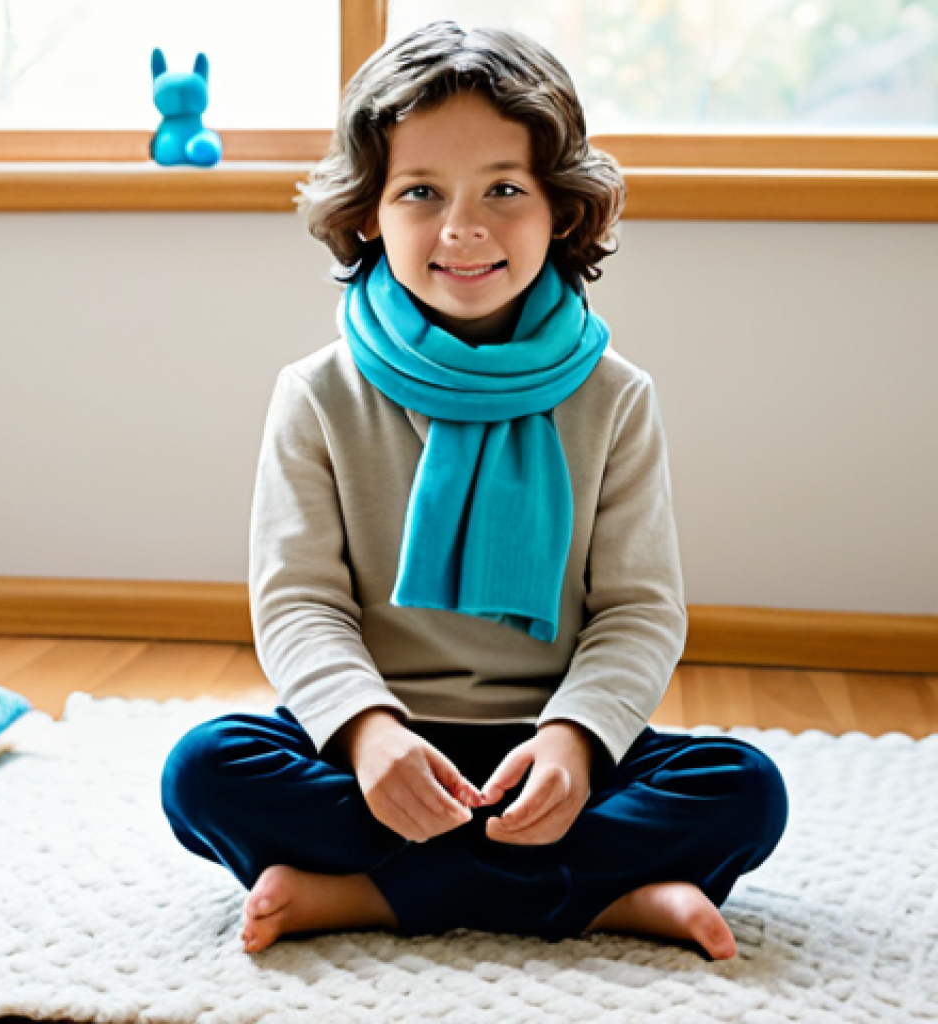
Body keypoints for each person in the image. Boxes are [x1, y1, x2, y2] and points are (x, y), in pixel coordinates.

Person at [161, 20, 788, 961]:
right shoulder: (318, 394)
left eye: (504, 189)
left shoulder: (615, 396)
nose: (464, 227)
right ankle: (605, 900)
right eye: (422, 192)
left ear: (560, 210)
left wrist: (576, 744)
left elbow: (637, 611)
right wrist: (370, 737)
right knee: (205, 771)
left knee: (743, 786)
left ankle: (366, 897)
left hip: (554, 749)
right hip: (376, 748)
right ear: (369, 211)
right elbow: (299, 605)